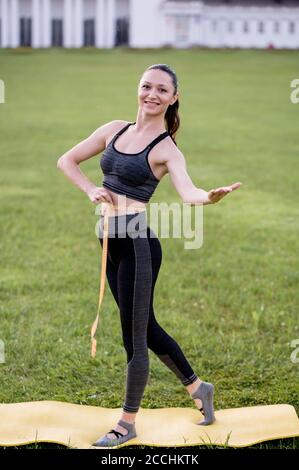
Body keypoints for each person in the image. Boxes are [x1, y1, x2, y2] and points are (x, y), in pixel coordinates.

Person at [57, 63, 242, 448]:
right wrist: (91, 190)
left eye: (162, 90)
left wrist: (209, 197)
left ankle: (127, 423)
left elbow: (188, 191)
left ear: (173, 98)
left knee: (134, 336)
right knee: (146, 326)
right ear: (138, 89)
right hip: (108, 238)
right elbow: (67, 160)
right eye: (147, 87)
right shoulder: (114, 130)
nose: (152, 95)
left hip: (138, 244)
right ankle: (198, 387)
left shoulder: (166, 149)